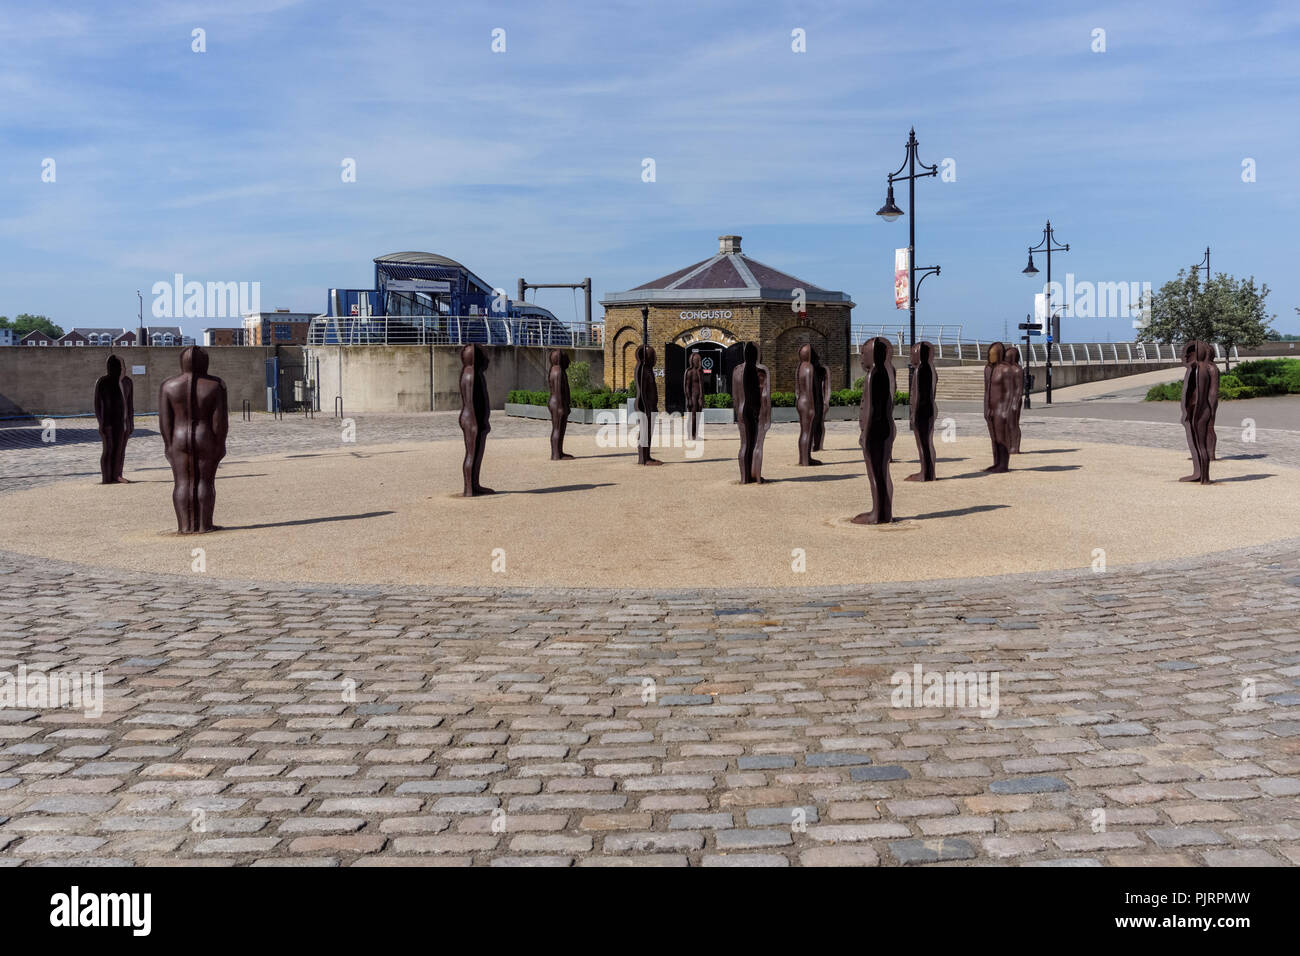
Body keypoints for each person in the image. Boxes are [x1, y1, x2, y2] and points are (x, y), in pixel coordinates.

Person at [158, 346, 228, 533]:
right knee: (205, 482)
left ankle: (186, 526)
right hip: (205, 435)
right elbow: (219, 420)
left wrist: (168, 444)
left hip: (179, 437)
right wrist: (220, 444)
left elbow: (165, 421)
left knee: (182, 482)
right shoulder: (215, 385)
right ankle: (204, 524)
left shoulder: (168, 385)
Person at [853, 337, 896, 524]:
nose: (861, 357)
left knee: (875, 472)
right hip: (885, 428)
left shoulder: (872, 376)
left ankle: (877, 514)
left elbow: (870, 409)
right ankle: (885, 511)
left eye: (863, 353)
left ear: (871, 354)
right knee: (882, 471)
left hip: (874, 432)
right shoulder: (884, 373)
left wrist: (865, 434)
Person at [459, 344, 494, 495]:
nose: (488, 361)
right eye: (485, 357)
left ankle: (474, 484)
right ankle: (470, 487)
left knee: (474, 453)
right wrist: (475, 424)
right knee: (472, 453)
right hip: (472, 420)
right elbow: (471, 401)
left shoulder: (470, 373)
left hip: (474, 420)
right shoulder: (471, 374)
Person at [93, 354, 134, 483]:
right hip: (109, 424)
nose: (123, 369)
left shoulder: (127, 382)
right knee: (108, 449)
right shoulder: (103, 382)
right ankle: (107, 477)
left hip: (124, 424)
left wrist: (131, 423)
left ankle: (117, 474)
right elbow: (98, 405)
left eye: (124, 366)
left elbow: (130, 404)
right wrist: (102, 423)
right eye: (121, 366)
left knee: (120, 451)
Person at [906, 341, 937, 481]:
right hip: (929, 409)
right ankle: (929, 471)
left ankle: (925, 472)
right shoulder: (930, 368)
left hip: (922, 411)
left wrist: (914, 414)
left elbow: (918, 395)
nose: (911, 357)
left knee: (923, 443)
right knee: (927, 442)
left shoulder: (920, 370)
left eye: (913, 354)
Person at [634, 344, 662, 465]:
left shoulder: (649, 370)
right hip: (645, 407)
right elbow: (642, 392)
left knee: (649, 432)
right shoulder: (643, 370)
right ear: (646, 357)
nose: (655, 358)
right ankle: (643, 458)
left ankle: (648, 455)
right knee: (644, 432)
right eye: (653, 356)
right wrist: (646, 408)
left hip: (651, 406)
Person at [795, 344, 822, 466]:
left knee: (804, 431)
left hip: (801, 401)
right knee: (808, 431)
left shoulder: (800, 367)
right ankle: (806, 460)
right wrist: (812, 408)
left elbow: (797, 389)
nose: (818, 356)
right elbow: (810, 389)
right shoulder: (809, 368)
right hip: (808, 403)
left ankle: (803, 458)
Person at [547, 350, 574, 461]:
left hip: (556, 403)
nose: (568, 362)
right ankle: (556, 454)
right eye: (566, 359)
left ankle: (559, 451)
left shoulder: (555, 370)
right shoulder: (558, 371)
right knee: (558, 428)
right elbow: (558, 391)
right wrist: (562, 407)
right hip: (558, 404)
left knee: (558, 428)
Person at [684, 352, 704, 443]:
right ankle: (690, 434)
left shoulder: (700, 372)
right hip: (692, 396)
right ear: (692, 361)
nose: (698, 362)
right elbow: (687, 387)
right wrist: (688, 398)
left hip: (699, 396)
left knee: (698, 416)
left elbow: (702, 386)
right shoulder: (689, 372)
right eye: (697, 361)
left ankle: (696, 434)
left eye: (699, 360)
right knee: (692, 416)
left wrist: (701, 397)